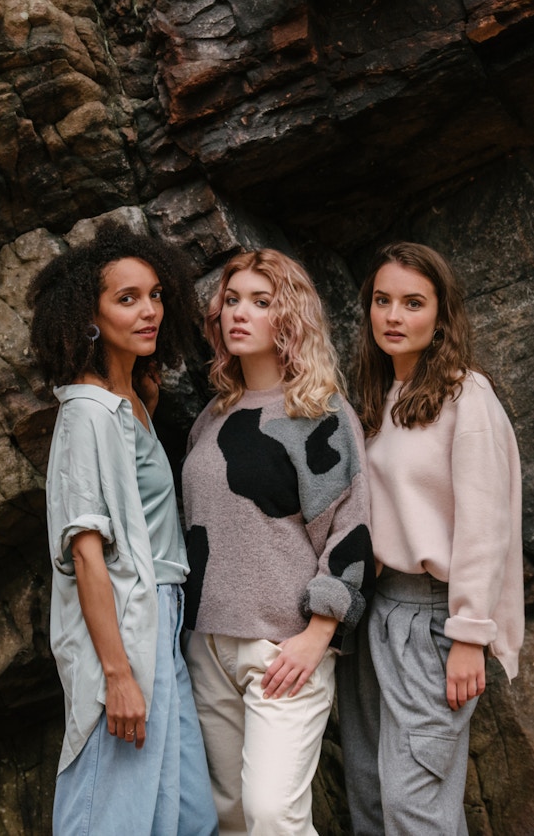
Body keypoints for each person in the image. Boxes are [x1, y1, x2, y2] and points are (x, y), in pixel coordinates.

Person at [28, 223, 218, 836]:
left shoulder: (131, 399)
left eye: (156, 294)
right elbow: (86, 555)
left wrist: (142, 402)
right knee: (111, 815)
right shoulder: (86, 414)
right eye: (127, 298)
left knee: (188, 814)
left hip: (164, 618)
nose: (150, 311)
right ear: (89, 313)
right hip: (127, 625)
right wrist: (117, 674)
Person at [180, 248, 375, 836]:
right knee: (233, 817)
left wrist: (319, 635)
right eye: (232, 300)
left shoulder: (320, 411)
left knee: (273, 815)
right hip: (208, 644)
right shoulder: (212, 416)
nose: (240, 314)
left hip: (283, 649)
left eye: (260, 303)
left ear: (287, 317)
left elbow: (352, 529)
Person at [338, 241, 524, 836]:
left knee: (416, 806)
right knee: (369, 792)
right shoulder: (374, 397)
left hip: (431, 619)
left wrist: (469, 633)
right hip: (373, 614)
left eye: (413, 303)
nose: (394, 316)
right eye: (382, 301)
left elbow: (485, 525)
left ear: (441, 316)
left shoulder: (467, 399)